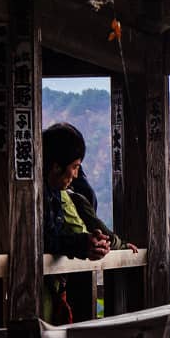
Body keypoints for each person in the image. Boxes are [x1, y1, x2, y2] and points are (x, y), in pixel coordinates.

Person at [42, 122, 136, 324]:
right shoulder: (39, 195)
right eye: (74, 167)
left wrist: (88, 242)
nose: (76, 175)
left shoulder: (55, 193)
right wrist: (82, 244)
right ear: (56, 166)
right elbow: (41, 240)